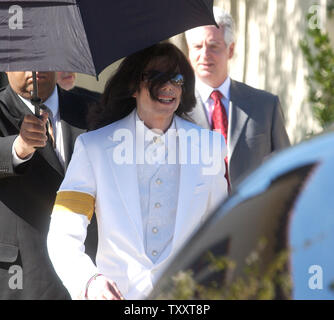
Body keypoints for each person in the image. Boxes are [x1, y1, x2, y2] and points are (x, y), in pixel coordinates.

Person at [47, 42, 228, 300]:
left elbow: (222, 231)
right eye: (157, 77)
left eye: (177, 79)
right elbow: (63, 234)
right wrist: (89, 282)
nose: (169, 86)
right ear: (133, 86)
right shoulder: (93, 148)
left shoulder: (209, 147)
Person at [0, 71, 97, 299]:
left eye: (41, 54)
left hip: (89, 272)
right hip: (24, 274)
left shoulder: (95, 108)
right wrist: (18, 148)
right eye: (23, 56)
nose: (34, 66)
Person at [185, 7, 290, 191]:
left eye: (213, 46)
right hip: (197, 218)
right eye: (197, 47)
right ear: (189, 52)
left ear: (230, 50)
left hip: (252, 216)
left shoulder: (265, 106)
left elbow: (286, 168)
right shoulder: (176, 109)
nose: (204, 55)